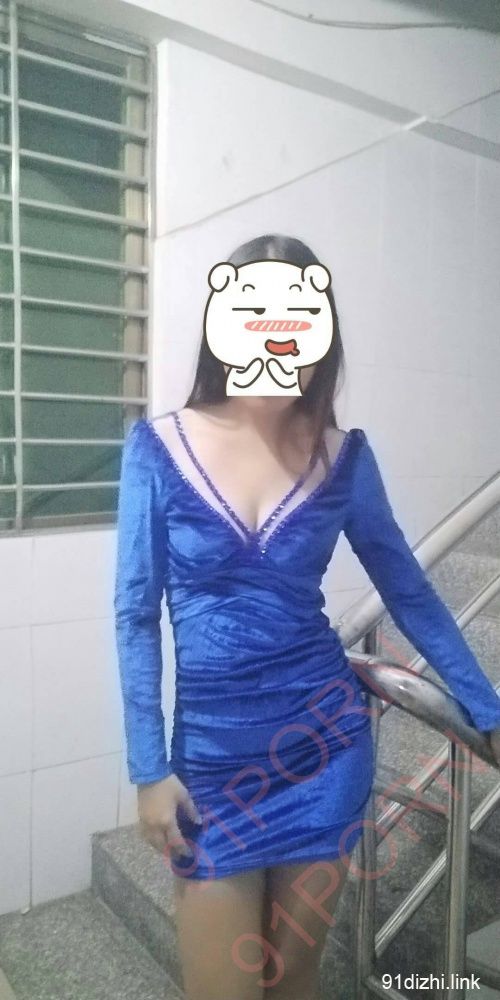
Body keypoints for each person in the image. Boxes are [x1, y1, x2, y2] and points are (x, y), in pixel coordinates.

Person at [114, 234, 500, 1000]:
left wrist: (486, 709)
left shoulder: (345, 456)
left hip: (326, 751)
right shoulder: (157, 448)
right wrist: (148, 768)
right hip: (214, 769)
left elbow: (409, 592)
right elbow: (134, 615)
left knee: (294, 979)